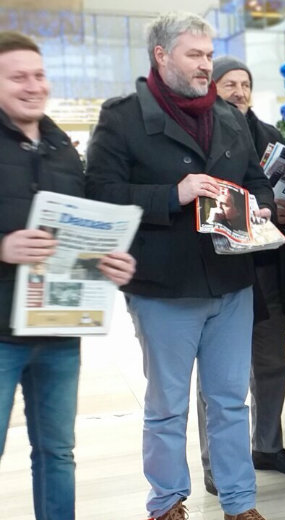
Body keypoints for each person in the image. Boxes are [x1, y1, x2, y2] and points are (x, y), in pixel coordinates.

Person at [85, 12, 273, 520]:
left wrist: (261, 207)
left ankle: (240, 504)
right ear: (162, 55)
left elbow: (257, 179)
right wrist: (173, 194)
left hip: (231, 282)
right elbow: (99, 195)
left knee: (230, 402)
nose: (205, 65)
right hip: (163, 288)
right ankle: (167, 503)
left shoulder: (231, 118)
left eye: (209, 55)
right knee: (167, 406)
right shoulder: (122, 117)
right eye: (195, 55)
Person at [0, 30, 136, 520]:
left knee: (57, 454)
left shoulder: (62, 147)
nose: (33, 85)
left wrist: (107, 261)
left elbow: (77, 235)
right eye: (18, 77)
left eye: (39, 75)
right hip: (0, 336)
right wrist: (4, 247)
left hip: (58, 331)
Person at [194, 56, 285, 497]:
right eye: (229, 84)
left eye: (244, 84)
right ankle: (215, 462)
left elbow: (282, 198)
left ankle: (267, 445)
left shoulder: (272, 138)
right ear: (213, 88)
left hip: (266, 267)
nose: (239, 91)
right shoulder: (204, 136)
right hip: (222, 269)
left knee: (272, 364)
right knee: (220, 376)